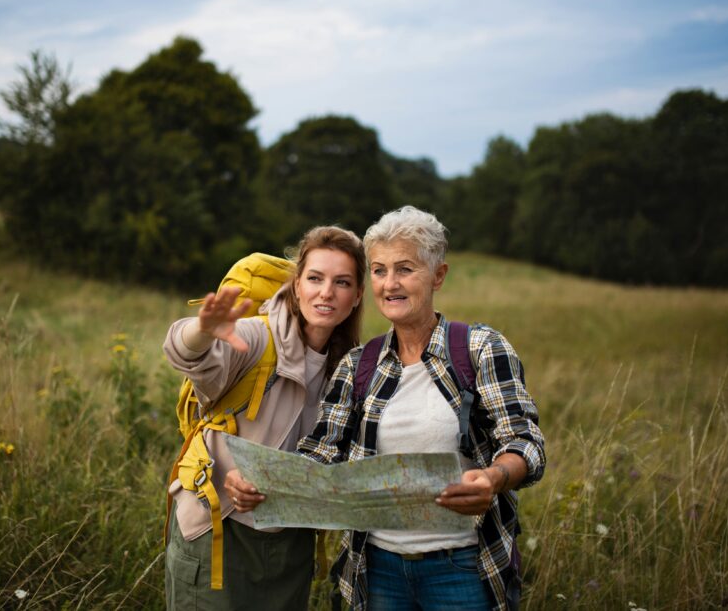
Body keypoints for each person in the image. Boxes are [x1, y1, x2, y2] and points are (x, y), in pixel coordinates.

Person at [229, 206, 545, 611]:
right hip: (375, 570)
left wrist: (495, 478)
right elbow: (320, 455)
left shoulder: (480, 349)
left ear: (438, 275)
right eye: (378, 270)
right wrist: (261, 480)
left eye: (405, 269)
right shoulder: (359, 364)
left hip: (463, 567)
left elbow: (524, 440)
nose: (390, 284)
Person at [163, 225, 366, 610]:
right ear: (296, 285)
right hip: (217, 529)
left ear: (356, 296)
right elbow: (186, 354)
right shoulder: (259, 338)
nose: (326, 292)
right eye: (315, 278)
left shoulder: (351, 367)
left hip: (289, 543)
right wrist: (203, 331)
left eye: (342, 282)